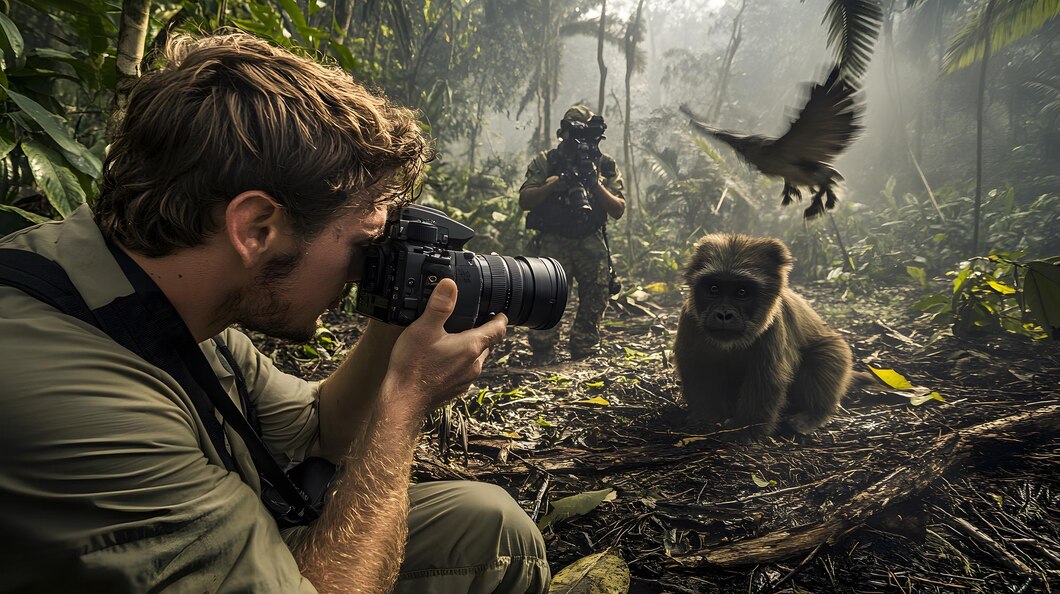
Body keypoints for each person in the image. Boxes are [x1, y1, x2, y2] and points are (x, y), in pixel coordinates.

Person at [0, 32, 549, 593]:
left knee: (486, 527)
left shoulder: (154, 288)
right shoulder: (86, 407)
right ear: (256, 228)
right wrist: (406, 402)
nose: (361, 269)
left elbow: (318, 431)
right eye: (360, 245)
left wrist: (400, 313)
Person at [518, 105, 626, 363]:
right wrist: (556, 183)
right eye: (571, 131)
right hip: (554, 239)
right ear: (562, 132)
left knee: (596, 293)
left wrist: (595, 183)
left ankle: (585, 346)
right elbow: (525, 200)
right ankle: (543, 349)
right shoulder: (547, 161)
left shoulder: (604, 164)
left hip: (590, 237)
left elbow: (618, 208)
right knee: (546, 293)